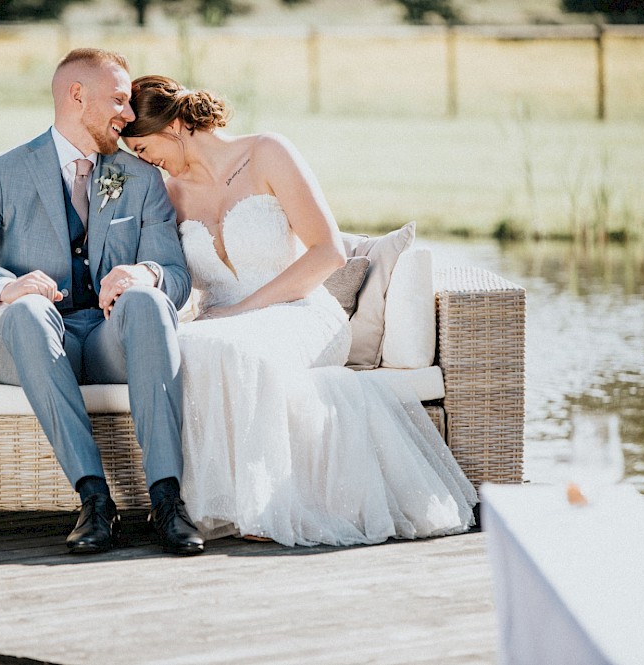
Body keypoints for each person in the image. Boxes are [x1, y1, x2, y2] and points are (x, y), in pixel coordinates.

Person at [121, 75, 478, 546]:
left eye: (144, 148)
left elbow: (328, 253)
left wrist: (244, 310)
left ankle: (269, 507)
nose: (145, 161)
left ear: (172, 126)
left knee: (234, 345)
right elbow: (177, 275)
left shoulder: (268, 152)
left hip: (301, 311)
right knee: (189, 345)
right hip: (220, 322)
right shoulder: (171, 194)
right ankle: (206, 505)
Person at [0, 50, 204, 556]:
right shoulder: (4, 172)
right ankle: (94, 500)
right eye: (118, 100)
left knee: (147, 302)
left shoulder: (139, 178)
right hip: (33, 343)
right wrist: (3, 288)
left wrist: (144, 273)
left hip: (106, 340)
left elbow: (177, 277)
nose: (127, 113)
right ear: (76, 96)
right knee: (28, 311)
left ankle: (167, 499)